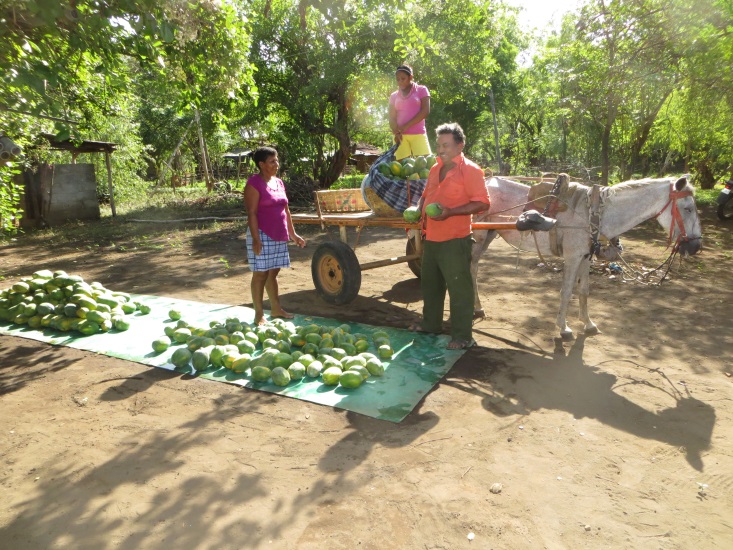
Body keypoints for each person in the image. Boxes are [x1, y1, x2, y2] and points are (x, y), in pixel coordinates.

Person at [410, 123, 490, 349]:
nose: (440, 149)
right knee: (431, 286)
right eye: (439, 145)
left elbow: (483, 203)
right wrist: (418, 208)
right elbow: (425, 196)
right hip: (431, 238)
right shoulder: (435, 169)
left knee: (459, 290)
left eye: (446, 145)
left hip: (456, 239)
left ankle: (462, 336)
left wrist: (451, 212)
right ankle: (431, 324)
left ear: (460, 145)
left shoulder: (471, 170)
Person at [244, 146, 305, 325]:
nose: (276, 164)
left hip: (279, 234)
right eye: (272, 161)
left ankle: (276, 309)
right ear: (262, 164)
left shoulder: (278, 182)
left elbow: (285, 210)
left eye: (277, 160)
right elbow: (252, 213)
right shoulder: (254, 184)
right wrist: (256, 238)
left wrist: (293, 234)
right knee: (260, 274)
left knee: (273, 273)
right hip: (262, 233)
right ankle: (258, 314)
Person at [389, 64, 431, 161]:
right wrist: (396, 131)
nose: (400, 82)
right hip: (400, 136)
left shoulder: (421, 90)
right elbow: (391, 117)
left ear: (410, 77)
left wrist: (406, 126)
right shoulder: (393, 96)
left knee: (427, 165)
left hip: (418, 134)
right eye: (397, 79)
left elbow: (425, 111)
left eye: (403, 79)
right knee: (402, 168)